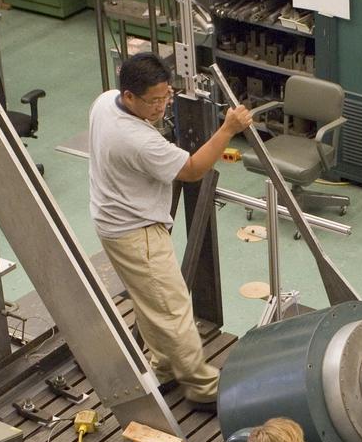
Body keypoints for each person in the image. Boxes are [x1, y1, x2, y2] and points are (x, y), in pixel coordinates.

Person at [88, 53, 252, 407]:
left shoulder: (105, 103)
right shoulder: (137, 140)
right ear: (129, 95)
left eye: (167, 97)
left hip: (110, 220)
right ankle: (203, 388)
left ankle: (162, 366)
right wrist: (228, 130)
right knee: (173, 308)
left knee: (150, 303)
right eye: (154, 101)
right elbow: (192, 169)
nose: (162, 106)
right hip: (136, 231)